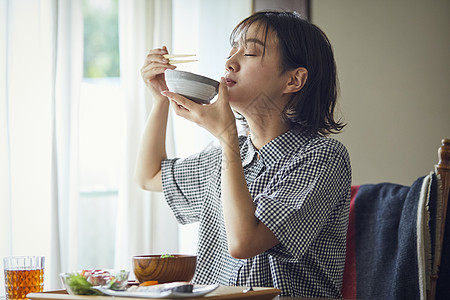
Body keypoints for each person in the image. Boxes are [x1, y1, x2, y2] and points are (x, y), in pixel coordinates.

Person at [136, 10, 351, 298]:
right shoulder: (229, 152)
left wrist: (226, 138)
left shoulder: (323, 156)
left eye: (249, 52)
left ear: (293, 80)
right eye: (231, 50)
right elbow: (150, 176)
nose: (229, 62)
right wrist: (161, 97)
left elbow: (244, 242)